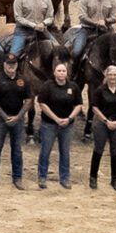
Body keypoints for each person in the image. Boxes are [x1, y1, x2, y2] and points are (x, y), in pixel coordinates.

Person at [34, 60, 81, 190]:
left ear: (67, 73)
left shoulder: (73, 86)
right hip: (49, 124)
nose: (61, 73)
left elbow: (79, 105)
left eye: (63, 71)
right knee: (45, 151)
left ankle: (65, 178)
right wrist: (56, 119)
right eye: (59, 71)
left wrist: (69, 118)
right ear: (54, 73)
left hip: (67, 125)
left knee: (65, 152)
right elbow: (42, 104)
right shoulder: (47, 86)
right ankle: (42, 177)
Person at [0, 54, 29, 189]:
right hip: (0, 120)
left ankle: (18, 178)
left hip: (18, 120)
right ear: (4, 64)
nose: (11, 66)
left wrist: (18, 116)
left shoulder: (23, 79)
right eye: (9, 63)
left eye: (13, 63)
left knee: (17, 150)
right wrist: (5, 117)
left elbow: (29, 100)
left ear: (17, 64)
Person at [87, 64, 116, 190]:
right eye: (110, 75)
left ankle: (115, 179)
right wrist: (106, 121)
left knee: (115, 151)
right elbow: (94, 107)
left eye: (115, 75)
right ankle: (93, 177)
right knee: (98, 149)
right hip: (102, 123)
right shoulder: (100, 90)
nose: (112, 77)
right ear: (106, 76)